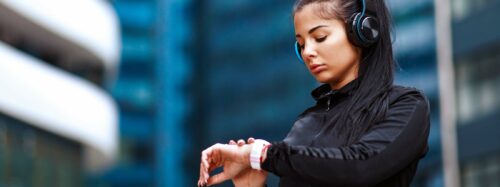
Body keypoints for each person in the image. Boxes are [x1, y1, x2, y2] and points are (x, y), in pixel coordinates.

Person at [198, 0, 430, 186]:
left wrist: (261, 154)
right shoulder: (306, 123)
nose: (308, 52)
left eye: (319, 37)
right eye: (301, 43)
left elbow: (360, 167)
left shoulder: (406, 105)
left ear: (362, 31)